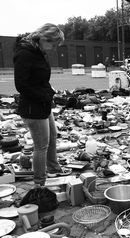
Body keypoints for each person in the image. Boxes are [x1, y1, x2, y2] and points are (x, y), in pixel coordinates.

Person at [13, 23, 69, 186]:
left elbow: (39, 78)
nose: (53, 48)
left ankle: (53, 168)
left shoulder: (38, 51)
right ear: (44, 38)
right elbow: (21, 85)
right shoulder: (25, 53)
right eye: (53, 44)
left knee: (52, 136)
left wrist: (50, 90)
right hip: (33, 108)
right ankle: (39, 184)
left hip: (43, 103)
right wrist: (44, 95)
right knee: (41, 146)